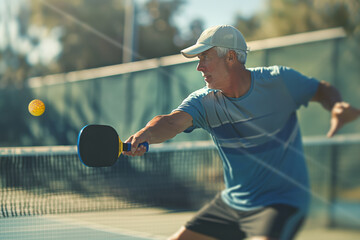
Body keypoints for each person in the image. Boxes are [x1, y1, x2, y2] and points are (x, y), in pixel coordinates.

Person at [123, 25, 360, 240]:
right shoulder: (203, 102)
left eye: (205, 57)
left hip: (279, 203)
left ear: (231, 57)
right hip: (233, 203)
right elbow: (171, 123)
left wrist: (336, 105)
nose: (199, 66)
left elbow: (320, 89)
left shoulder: (279, 82)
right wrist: (146, 133)